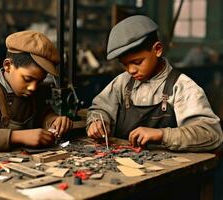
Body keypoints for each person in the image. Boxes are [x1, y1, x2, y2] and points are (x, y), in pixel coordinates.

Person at [86, 15, 223, 152]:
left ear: (157, 49)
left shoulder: (182, 86)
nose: (131, 70)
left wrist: (162, 135)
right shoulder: (122, 82)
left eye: (137, 62)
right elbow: (99, 109)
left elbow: (211, 134)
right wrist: (97, 121)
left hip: (170, 168)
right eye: (125, 64)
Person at [0, 30, 73, 152]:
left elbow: (43, 114)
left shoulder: (36, 91)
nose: (33, 87)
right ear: (8, 66)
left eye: (39, 81)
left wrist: (53, 121)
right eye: (28, 78)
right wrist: (17, 136)